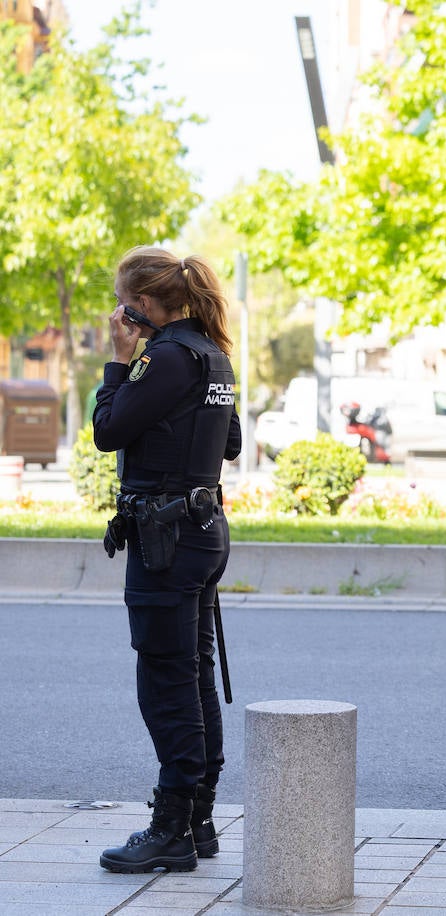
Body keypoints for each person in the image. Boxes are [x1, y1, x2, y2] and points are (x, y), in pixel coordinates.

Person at [92, 247, 241, 873]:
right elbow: (230, 442)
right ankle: (198, 816)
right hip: (202, 532)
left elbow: (108, 429)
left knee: (165, 680)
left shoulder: (165, 358)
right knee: (193, 672)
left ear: (142, 305)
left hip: (168, 541)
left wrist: (120, 362)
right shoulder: (212, 354)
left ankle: (172, 826)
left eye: (127, 306)